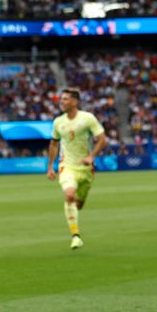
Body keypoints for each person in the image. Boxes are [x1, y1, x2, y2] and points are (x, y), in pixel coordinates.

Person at [46, 88, 106, 249]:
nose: (62, 102)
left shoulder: (87, 118)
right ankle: (76, 236)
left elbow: (102, 139)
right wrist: (50, 166)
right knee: (69, 194)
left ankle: (76, 213)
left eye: (65, 99)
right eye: (61, 99)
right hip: (67, 166)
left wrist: (91, 156)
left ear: (74, 101)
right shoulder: (58, 122)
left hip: (86, 169)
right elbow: (54, 143)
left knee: (78, 205)